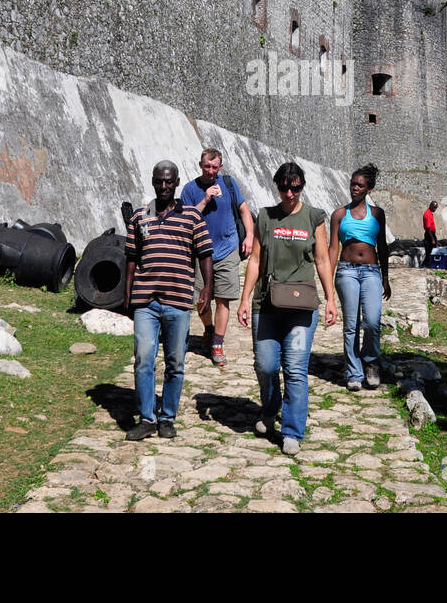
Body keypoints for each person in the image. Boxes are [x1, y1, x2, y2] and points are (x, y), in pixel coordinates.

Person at [236, 162, 336, 455]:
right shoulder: (265, 217)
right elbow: (255, 260)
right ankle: (270, 408)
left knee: (295, 369)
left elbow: (321, 260)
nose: (290, 193)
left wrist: (330, 299)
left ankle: (292, 430)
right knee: (265, 365)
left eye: (295, 187)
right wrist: (244, 299)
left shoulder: (313, 217)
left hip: (301, 306)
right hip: (266, 303)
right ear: (277, 186)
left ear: (302, 186)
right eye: (284, 187)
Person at [123, 160, 213, 441]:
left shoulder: (192, 218)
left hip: (178, 301)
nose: (164, 186)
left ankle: (167, 417)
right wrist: (127, 295)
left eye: (169, 182)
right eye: (159, 181)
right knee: (144, 359)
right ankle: (147, 418)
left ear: (176, 184)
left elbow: (205, 255)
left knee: (175, 362)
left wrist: (207, 288)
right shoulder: (139, 217)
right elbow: (131, 259)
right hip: (145, 302)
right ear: (153, 182)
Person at [179, 148, 254, 367]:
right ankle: (208, 329)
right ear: (200, 165)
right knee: (201, 299)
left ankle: (217, 344)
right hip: (201, 253)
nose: (211, 171)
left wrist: (249, 236)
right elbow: (186, 221)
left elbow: (243, 210)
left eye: (215, 167)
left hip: (228, 249)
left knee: (224, 298)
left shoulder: (229, 184)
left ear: (220, 167)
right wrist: (205, 199)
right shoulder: (190, 189)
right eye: (207, 166)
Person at [328, 164, 391, 391]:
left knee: (372, 321)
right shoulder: (338, 215)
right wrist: (328, 284)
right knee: (351, 324)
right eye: (353, 184)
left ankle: (371, 363)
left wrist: (386, 276)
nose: (354, 188)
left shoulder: (377, 214)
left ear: (369, 189)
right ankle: (354, 372)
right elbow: (333, 249)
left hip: (372, 271)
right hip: (346, 270)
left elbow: (382, 246)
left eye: (360, 185)